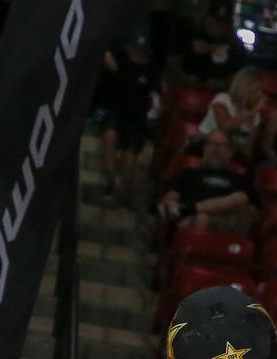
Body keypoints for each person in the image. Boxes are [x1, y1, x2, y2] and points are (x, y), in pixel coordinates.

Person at [93, 37, 157, 198]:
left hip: (137, 119)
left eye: (141, 52)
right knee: (109, 136)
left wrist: (152, 115)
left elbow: (155, 98)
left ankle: (125, 193)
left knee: (129, 158)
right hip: (113, 112)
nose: (137, 55)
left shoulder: (150, 71)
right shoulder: (118, 61)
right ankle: (109, 179)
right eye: (135, 51)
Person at [160, 130, 252, 234]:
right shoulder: (189, 173)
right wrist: (170, 204)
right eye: (210, 144)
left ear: (230, 152)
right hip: (190, 219)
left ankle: (192, 210)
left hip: (224, 221)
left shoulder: (239, 178)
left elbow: (248, 207)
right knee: (201, 217)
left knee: (240, 198)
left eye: (221, 145)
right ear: (204, 149)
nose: (215, 149)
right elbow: (170, 198)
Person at [196, 65, 267, 155]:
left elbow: (248, 150)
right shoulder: (223, 99)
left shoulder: (256, 115)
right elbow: (225, 127)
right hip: (203, 148)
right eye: (257, 89)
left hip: (230, 155)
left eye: (262, 90)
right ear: (244, 87)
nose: (261, 95)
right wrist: (250, 113)